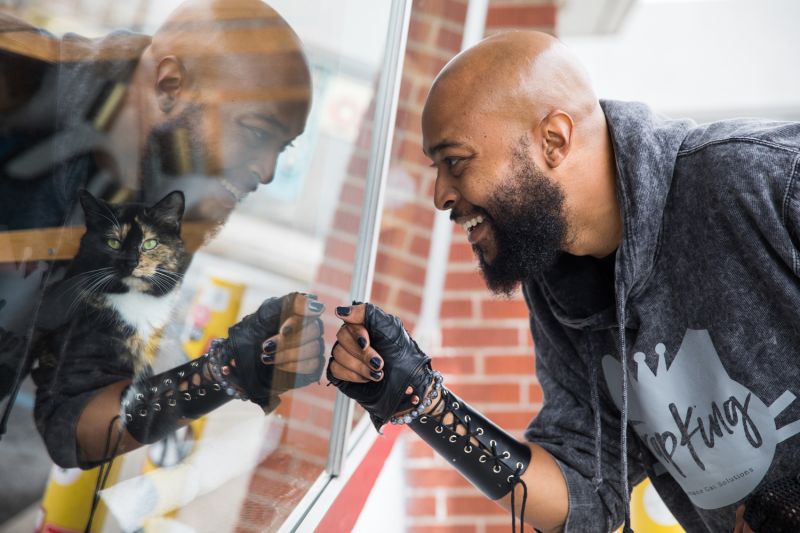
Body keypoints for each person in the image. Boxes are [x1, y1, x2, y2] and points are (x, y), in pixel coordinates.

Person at [327, 31, 800, 533]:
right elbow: (586, 494)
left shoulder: (761, 178)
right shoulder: (558, 288)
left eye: (456, 161)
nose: (441, 195)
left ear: (553, 139)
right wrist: (424, 403)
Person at [0, 0, 325, 470]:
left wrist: (223, 372)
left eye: (283, 148)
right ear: (169, 85)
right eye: (257, 132)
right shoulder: (16, 82)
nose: (268, 171)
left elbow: (76, 419)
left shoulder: (161, 216)